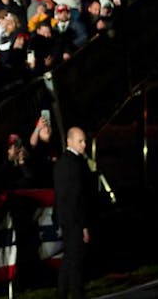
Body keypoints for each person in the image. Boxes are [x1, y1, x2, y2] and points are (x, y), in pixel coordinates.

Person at [53, 127, 93, 299]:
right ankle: (77, 293)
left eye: (84, 141)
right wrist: (83, 225)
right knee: (75, 260)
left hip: (65, 217)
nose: (84, 144)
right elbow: (77, 196)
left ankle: (62, 292)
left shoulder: (63, 162)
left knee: (69, 258)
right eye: (80, 141)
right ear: (69, 141)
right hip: (74, 218)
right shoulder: (75, 164)